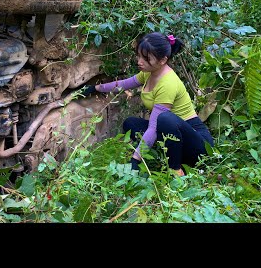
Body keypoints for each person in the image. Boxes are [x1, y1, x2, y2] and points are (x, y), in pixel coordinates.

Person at [82, 32, 214, 176]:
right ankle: (166, 157)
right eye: (139, 56)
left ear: (163, 60)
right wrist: (95, 88)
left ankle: (176, 171)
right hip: (174, 136)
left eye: (146, 58)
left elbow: (154, 127)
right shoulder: (149, 72)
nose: (139, 61)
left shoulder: (168, 83)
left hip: (198, 147)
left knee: (164, 119)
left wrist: (135, 159)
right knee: (131, 124)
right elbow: (124, 84)